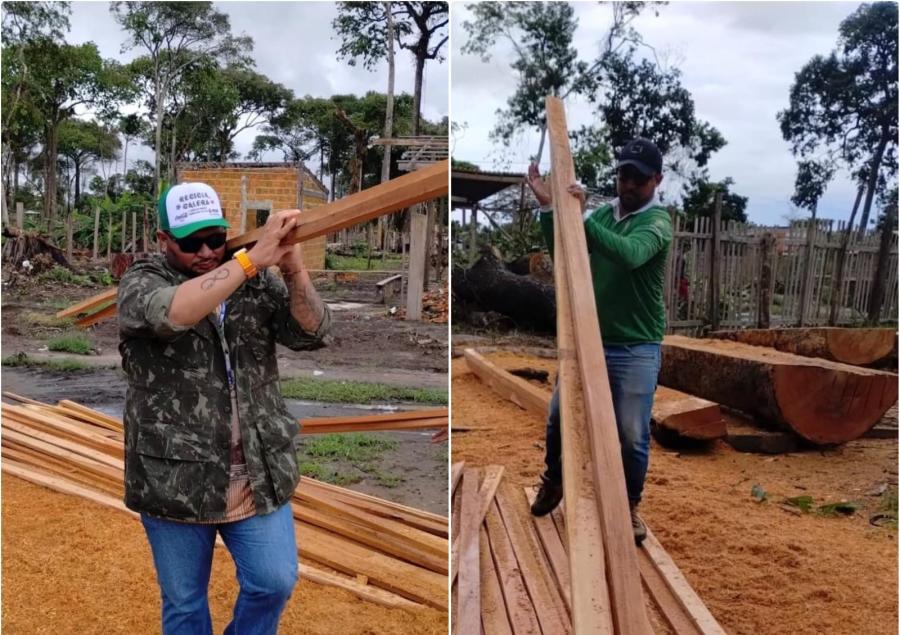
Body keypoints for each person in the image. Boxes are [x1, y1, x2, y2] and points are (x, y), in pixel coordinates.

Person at [118, 181, 331, 634]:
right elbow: (171, 313)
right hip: (175, 479)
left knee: (274, 581)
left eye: (215, 238)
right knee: (184, 603)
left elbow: (311, 333)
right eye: (191, 243)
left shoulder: (254, 284)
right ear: (163, 240)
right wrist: (250, 260)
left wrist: (292, 268)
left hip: (258, 470)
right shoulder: (142, 280)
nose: (206, 252)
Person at [525, 137, 673, 544]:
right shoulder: (604, 217)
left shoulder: (657, 223)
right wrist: (550, 208)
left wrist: (580, 218)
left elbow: (631, 254)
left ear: (657, 180)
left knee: (630, 432)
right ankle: (555, 480)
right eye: (624, 175)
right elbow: (566, 249)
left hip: (635, 345)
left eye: (638, 179)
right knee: (558, 417)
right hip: (586, 338)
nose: (628, 184)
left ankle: (627, 505)